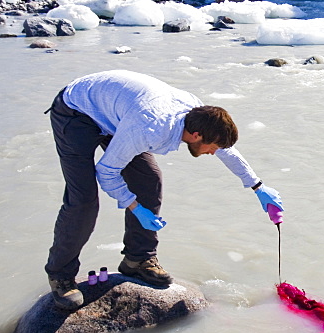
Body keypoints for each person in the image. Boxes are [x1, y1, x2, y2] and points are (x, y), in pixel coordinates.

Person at [44, 70, 283, 310]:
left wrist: (258, 186)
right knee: (83, 199)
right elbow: (106, 172)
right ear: (197, 135)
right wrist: (135, 207)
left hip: (118, 115)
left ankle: (137, 259)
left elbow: (225, 149)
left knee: (149, 179)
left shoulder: (198, 114)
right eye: (211, 147)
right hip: (76, 112)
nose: (212, 152)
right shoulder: (150, 128)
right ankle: (60, 275)